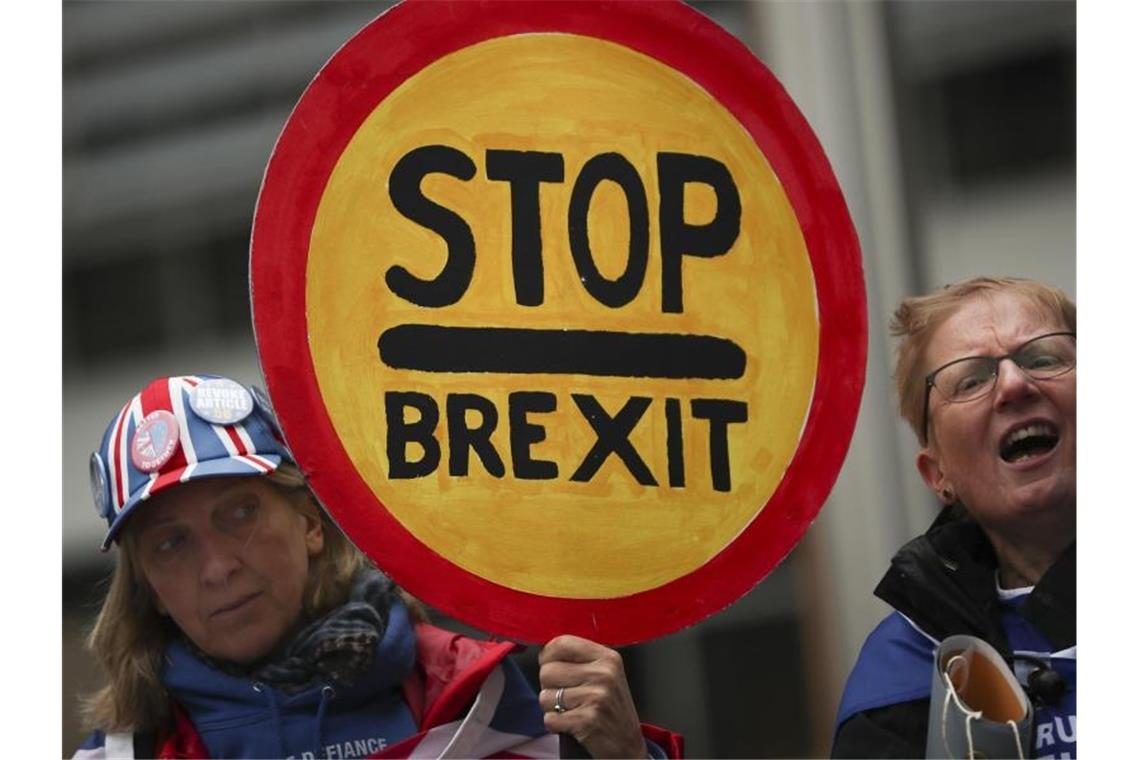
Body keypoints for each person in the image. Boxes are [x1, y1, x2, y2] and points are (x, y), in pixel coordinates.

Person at [74, 374, 682, 759]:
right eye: (171, 544)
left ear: (311, 523)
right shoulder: (125, 754)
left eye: (240, 512)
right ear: (150, 589)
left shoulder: (473, 698)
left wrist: (624, 756)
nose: (217, 567)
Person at [831, 277, 1076, 757]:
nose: (1013, 384)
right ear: (937, 473)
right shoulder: (899, 680)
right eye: (972, 379)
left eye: (1044, 358)